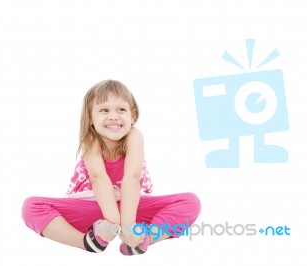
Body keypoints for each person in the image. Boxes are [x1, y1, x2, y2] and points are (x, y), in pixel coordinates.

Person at [21, 80, 201, 255]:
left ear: (133, 115)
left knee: (190, 202)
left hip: (132, 205)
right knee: (31, 206)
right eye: (104, 110)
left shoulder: (134, 137)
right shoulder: (91, 141)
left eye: (121, 110)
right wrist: (112, 223)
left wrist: (128, 225)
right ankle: (87, 241)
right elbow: (98, 178)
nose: (113, 116)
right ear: (91, 118)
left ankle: (141, 240)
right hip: (93, 205)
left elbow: (132, 177)